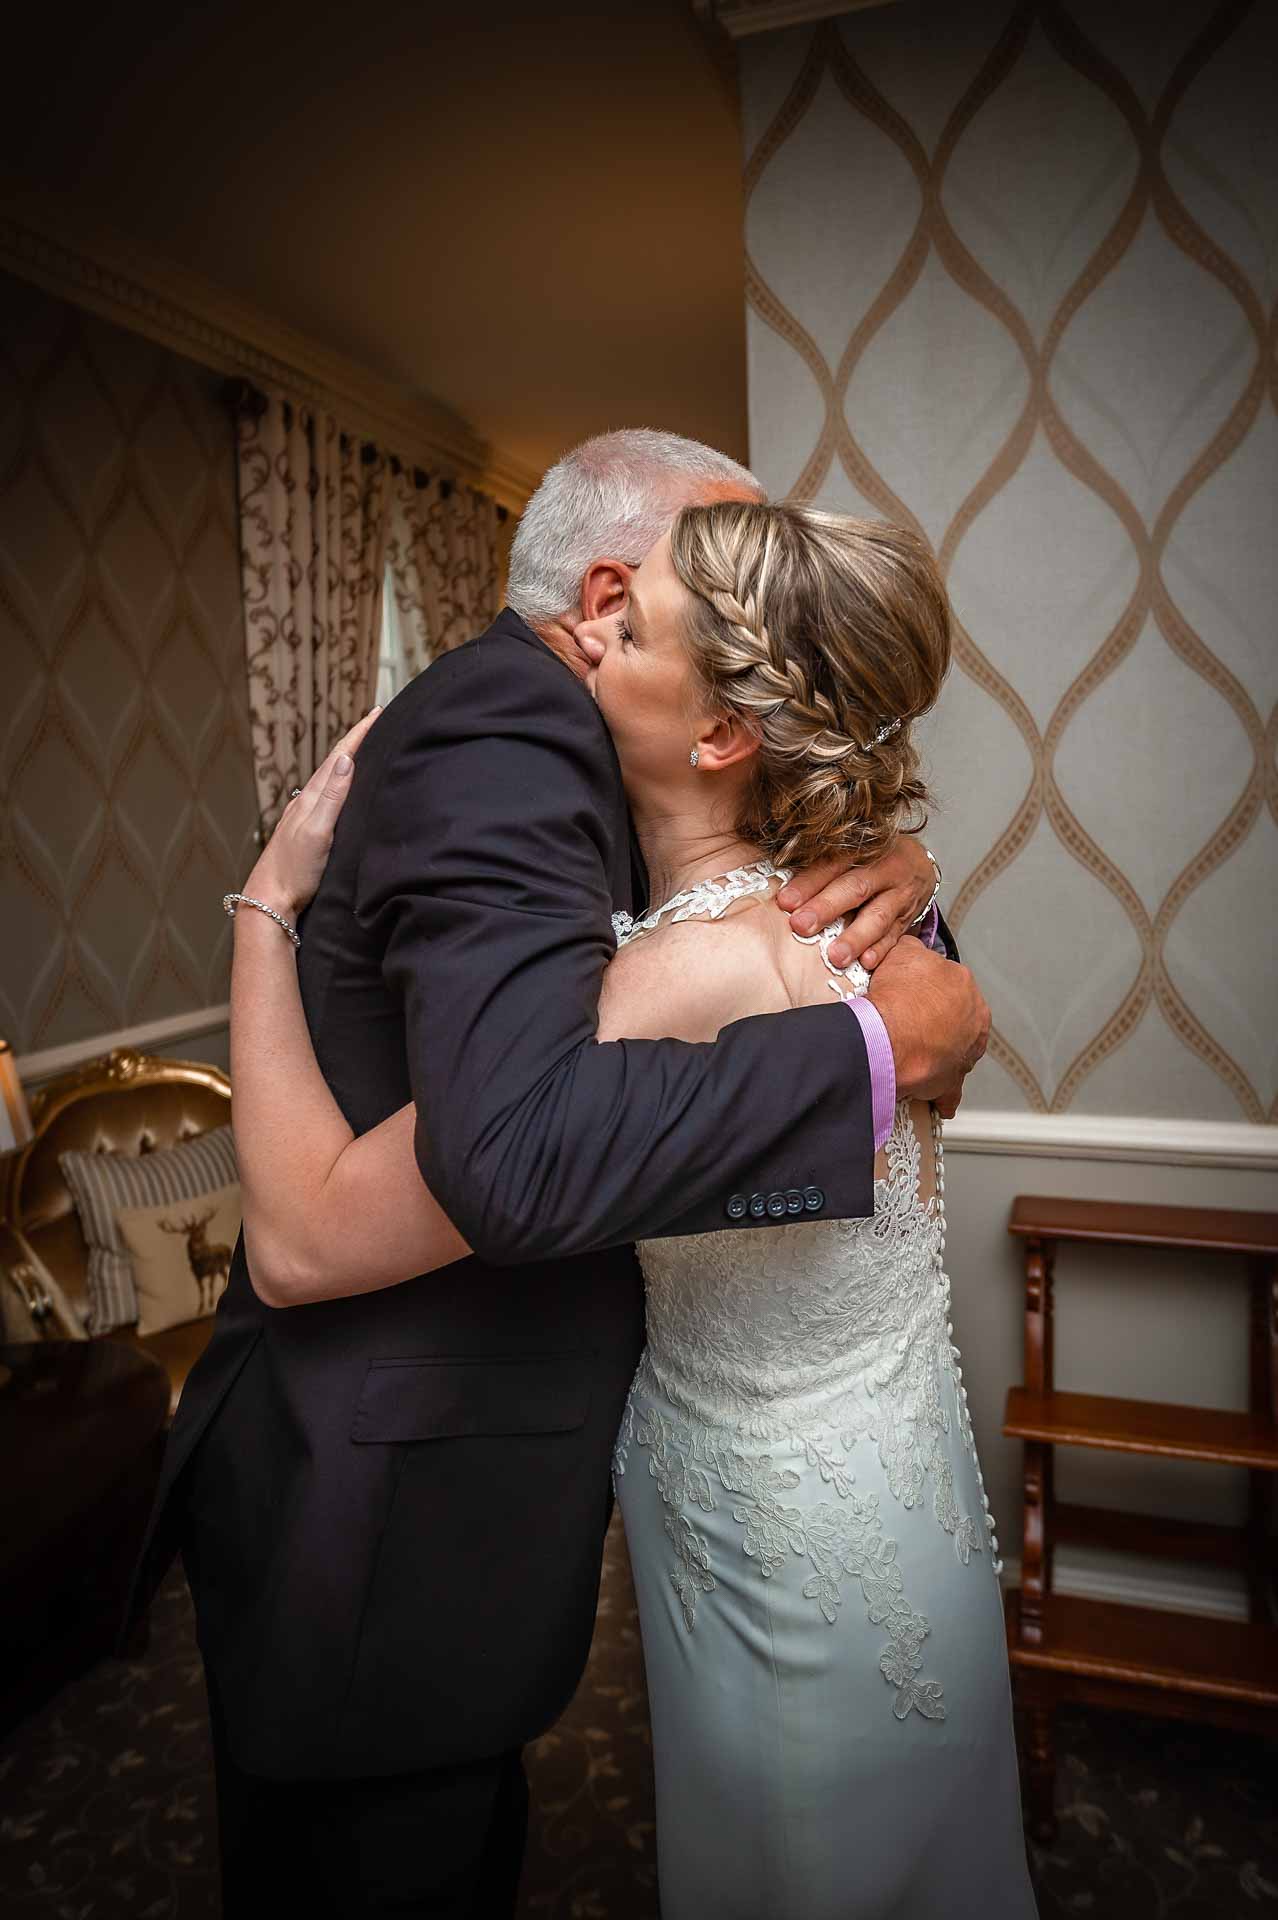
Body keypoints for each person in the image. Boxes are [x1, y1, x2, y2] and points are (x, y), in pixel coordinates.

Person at [128, 433, 989, 1919]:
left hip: (794, 1488)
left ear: (731, 726)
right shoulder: (778, 921)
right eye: (628, 602)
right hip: (815, 1473)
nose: (594, 632)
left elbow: (405, 1178)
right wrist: (263, 912)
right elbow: (353, 1219)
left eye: (634, 624)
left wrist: (268, 914)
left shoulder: (712, 949)